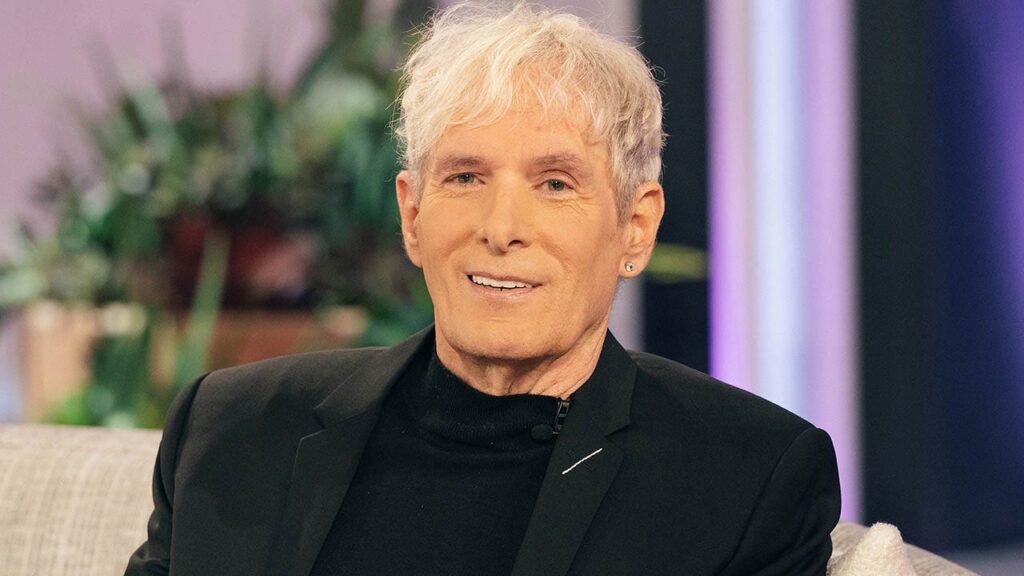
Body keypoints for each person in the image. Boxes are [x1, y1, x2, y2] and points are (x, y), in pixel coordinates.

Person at [125, 3, 841, 575]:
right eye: (465, 177)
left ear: (635, 227)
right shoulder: (232, 430)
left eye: (554, 184)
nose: (501, 228)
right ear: (412, 215)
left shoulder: (749, 477)